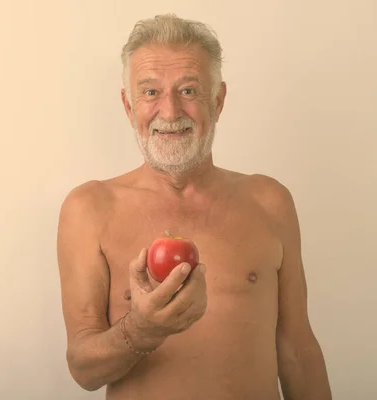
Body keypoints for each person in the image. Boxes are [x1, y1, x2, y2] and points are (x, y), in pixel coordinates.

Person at [56, 14, 332, 400]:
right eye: (150, 92)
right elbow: (83, 369)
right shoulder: (89, 209)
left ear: (217, 101)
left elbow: (298, 352)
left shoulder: (270, 202)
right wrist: (141, 329)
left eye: (188, 91)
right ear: (127, 104)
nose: (169, 113)